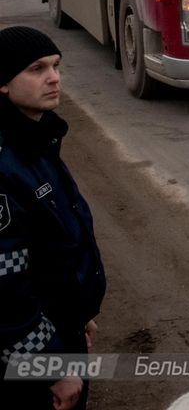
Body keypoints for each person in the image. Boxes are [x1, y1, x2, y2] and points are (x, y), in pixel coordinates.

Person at [0, 26, 105, 410]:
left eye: (56, 66)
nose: (54, 77)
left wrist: (77, 315)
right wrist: (51, 367)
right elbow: (6, 291)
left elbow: (57, 246)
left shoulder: (36, 140)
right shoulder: (6, 164)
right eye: (36, 68)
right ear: (3, 85)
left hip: (60, 331)